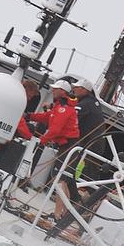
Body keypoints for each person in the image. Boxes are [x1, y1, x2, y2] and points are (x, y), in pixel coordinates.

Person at [26, 80, 80, 220]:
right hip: (67, 146)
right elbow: (47, 117)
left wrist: (42, 141)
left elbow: (55, 129)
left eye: (56, 89)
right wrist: (30, 116)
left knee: (60, 180)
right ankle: (63, 214)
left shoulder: (64, 108)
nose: (53, 91)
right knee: (63, 180)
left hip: (69, 146)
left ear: (63, 92)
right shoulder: (60, 107)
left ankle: (57, 215)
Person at [71, 78, 106, 183]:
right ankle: (78, 193)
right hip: (95, 142)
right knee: (90, 170)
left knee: (80, 167)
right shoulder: (93, 102)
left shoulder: (85, 104)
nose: (74, 90)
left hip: (90, 143)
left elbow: (71, 118)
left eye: (76, 88)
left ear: (84, 90)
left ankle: (86, 193)